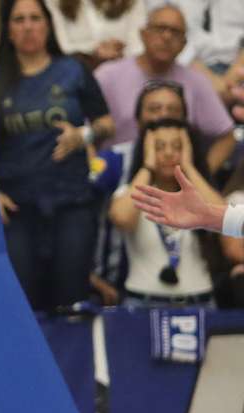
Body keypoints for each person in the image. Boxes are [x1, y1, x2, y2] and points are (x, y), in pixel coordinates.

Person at [0, 0, 114, 310]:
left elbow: (106, 124)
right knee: (21, 303)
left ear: (48, 25)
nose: (28, 26)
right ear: (7, 30)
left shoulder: (73, 70)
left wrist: (83, 135)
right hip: (17, 207)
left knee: (72, 299)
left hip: (71, 202)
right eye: (19, 20)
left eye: (35, 18)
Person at [93, 4, 235, 171]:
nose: (167, 37)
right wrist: (93, 175)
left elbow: (227, 136)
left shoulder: (196, 82)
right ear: (143, 34)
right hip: (114, 179)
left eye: (175, 32)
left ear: (184, 44)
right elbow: (85, 130)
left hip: (171, 184)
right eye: (160, 28)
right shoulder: (107, 76)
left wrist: (198, 179)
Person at [109, 118, 222, 305]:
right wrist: (148, 167)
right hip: (142, 303)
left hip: (200, 302)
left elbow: (222, 219)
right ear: (146, 151)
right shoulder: (130, 191)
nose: (169, 153)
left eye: (177, 147)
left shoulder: (201, 195)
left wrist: (188, 166)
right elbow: (121, 218)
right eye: (159, 147)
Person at [43, 0, 147, 68]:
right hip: (78, 70)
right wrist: (95, 50)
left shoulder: (134, 2)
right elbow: (64, 46)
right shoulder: (54, 2)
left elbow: (138, 46)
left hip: (122, 68)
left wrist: (118, 55)